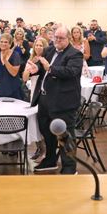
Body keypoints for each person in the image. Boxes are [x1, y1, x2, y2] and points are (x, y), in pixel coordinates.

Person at [28, 26, 83, 174]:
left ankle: (69, 168)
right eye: (55, 37)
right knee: (47, 132)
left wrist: (50, 68)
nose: (57, 40)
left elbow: (70, 72)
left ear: (68, 38)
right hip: (45, 99)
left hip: (63, 102)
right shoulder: (49, 50)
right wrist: (36, 69)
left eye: (61, 38)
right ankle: (50, 160)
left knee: (65, 136)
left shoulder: (75, 54)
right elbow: (42, 68)